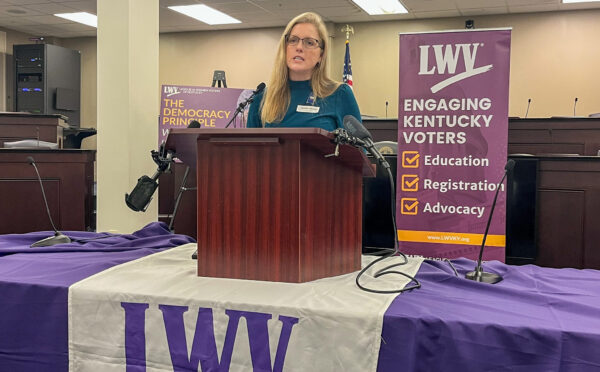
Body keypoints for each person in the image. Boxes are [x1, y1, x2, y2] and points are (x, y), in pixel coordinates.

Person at [246, 12, 361, 131]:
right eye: (293, 40)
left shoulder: (339, 94)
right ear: (284, 48)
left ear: (321, 54)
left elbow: (359, 148)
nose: (299, 47)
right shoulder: (262, 98)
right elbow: (250, 148)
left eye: (309, 42)